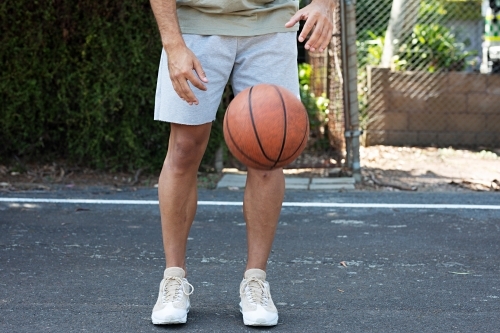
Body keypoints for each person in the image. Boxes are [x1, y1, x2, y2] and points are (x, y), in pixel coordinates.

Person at [149, 0, 334, 326]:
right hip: (195, 25)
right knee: (183, 150)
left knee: (269, 156)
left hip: (273, 24)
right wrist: (173, 43)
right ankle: (173, 280)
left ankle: (255, 282)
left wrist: (324, 3)